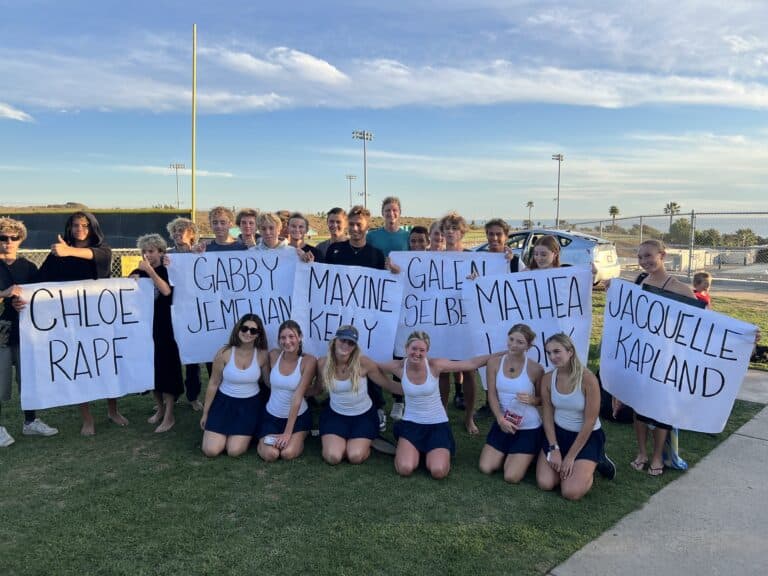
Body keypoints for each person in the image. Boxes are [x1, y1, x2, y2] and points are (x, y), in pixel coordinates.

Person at [38, 211, 127, 436]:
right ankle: (87, 417)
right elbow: (39, 281)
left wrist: (69, 251)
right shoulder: (59, 251)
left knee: (106, 362)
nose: (80, 229)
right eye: (76, 225)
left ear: (92, 227)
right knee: (80, 364)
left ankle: (112, 410)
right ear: (70, 227)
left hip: (100, 318)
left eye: (85, 225)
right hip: (72, 320)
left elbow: (100, 258)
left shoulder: (102, 248)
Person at [377, 331, 494, 479]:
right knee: (405, 468)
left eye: (422, 350)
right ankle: (413, 450)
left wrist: (503, 353)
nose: (417, 353)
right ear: (406, 348)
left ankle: (426, 452)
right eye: (414, 349)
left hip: (436, 424)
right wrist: (390, 385)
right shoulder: (399, 366)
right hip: (411, 424)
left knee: (438, 471)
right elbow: (374, 367)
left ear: (427, 351)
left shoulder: (435, 365)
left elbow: (470, 363)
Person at [624, 239, 696, 477]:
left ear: (662, 255)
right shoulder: (639, 282)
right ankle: (642, 452)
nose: (644, 261)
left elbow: (704, 323)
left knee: (661, 409)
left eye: (649, 256)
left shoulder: (679, 289)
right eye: (640, 257)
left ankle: (657, 456)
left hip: (666, 358)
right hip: (641, 356)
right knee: (639, 407)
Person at [324, 206, 389, 431]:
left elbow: (384, 287)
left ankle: (377, 404)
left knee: (368, 358)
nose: (354, 229)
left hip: (366, 318)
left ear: (367, 226)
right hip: (340, 316)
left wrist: (393, 273)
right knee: (339, 356)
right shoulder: (334, 250)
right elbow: (322, 281)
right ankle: (335, 399)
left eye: (358, 225)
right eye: (351, 224)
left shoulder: (376, 254)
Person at [0, 217, 59, 447]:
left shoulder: (27, 266)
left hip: (25, 332)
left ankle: (30, 421)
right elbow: (9, 292)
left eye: (13, 238)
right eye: (3, 238)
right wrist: (6, 294)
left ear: (20, 240)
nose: (8, 242)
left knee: (28, 380)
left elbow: (39, 293)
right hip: (2, 334)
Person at [317, 325, 399, 465]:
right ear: (335, 340)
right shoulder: (322, 363)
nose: (346, 345)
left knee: (354, 456)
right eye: (343, 340)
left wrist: (417, 389)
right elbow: (317, 389)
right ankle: (352, 441)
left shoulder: (363, 363)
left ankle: (366, 441)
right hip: (336, 415)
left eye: (351, 343)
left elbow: (388, 384)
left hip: (363, 416)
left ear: (355, 346)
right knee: (333, 457)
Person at [536, 333, 604, 500]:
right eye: (549, 352)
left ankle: (595, 463)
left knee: (570, 492)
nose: (552, 357)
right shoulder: (547, 379)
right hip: (558, 434)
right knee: (545, 483)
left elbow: (590, 421)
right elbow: (547, 414)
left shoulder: (588, 379)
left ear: (570, 351)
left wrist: (571, 457)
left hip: (586, 436)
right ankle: (571, 468)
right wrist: (554, 448)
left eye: (557, 351)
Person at [129, 234, 184, 433]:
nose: (147, 255)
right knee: (151, 370)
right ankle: (159, 408)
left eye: (151, 251)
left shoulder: (168, 269)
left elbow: (166, 291)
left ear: (161, 252)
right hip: (146, 329)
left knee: (167, 369)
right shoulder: (139, 271)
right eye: (144, 251)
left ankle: (169, 414)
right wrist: (133, 280)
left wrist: (150, 271)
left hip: (167, 327)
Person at [478, 324, 545, 483]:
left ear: (528, 346)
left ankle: (532, 452)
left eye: (520, 342)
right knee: (486, 468)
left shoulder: (536, 369)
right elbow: (492, 395)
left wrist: (532, 400)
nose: (514, 345)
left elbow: (542, 399)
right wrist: (500, 418)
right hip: (504, 422)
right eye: (511, 339)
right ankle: (512, 453)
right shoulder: (494, 363)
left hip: (528, 427)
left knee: (511, 477)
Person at [200, 314, 270, 457]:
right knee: (211, 451)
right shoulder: (224, 353)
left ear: (258, 334)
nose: (248, 333)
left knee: (234, 451)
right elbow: (213, 383)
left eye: (253, 331)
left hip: (249, 406)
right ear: (238, 329)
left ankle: (244, 433)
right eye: (244, 328)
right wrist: (206, 413)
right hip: (223, 403)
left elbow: (269, 382)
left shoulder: (262, 355)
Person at [439, 211, 478, 434]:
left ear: (461, 232)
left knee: (468, 371)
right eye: (447, 228)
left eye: (454, 228)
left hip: (466, 323)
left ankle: (469, 417)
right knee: (443, 371)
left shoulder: (473, 257)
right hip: (441, 322)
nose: (451, 232)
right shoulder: (434, 257)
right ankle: (442, 413)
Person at [257, 320, 316, 462]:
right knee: (271, 455)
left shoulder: (308, 361)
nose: (287, 341)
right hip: (272, 415)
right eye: (283, 337)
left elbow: (297, 397)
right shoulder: (273, 355)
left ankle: (302, 433)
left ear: (300, 337)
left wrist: (287, 433)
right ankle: (261, 438)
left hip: (298, 417)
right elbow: (270, 383)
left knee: (287, 453)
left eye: (291, 336)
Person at [165, 217, 204, 410]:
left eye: (183, 231)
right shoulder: (167, 256)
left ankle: (193, 396)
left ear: (192, 235)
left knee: (193, 358)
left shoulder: (199, 254)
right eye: (176, 231)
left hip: (195, 311)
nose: (179, 234)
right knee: (172, 357)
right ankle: (172, 396)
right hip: (174, 310)